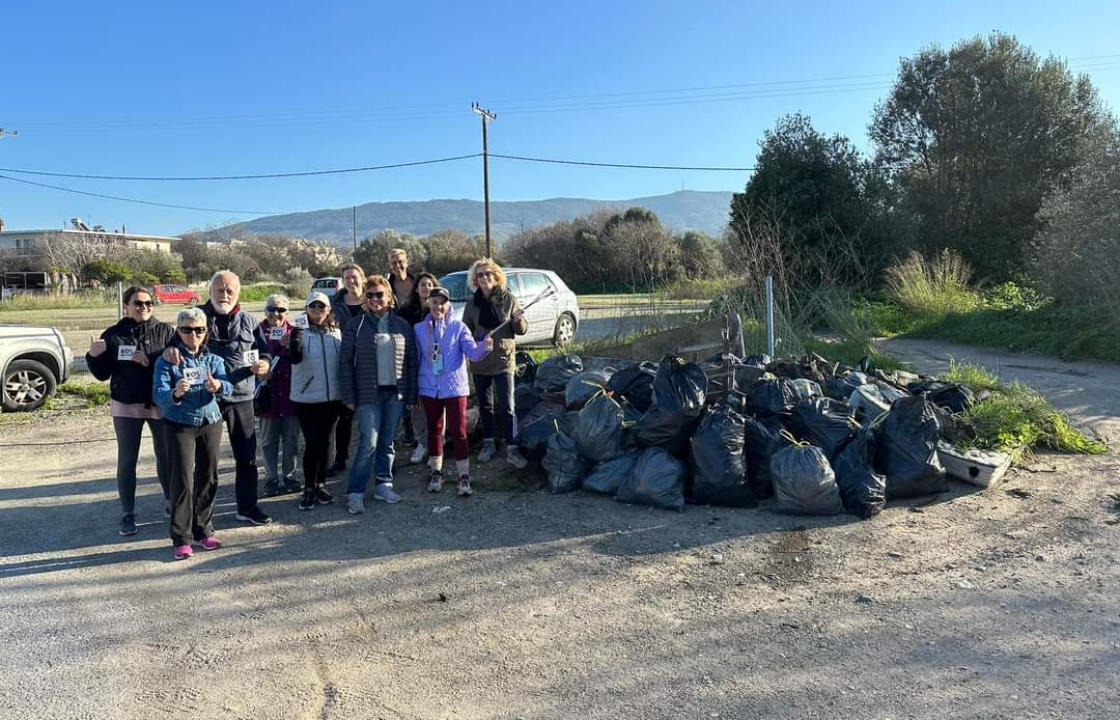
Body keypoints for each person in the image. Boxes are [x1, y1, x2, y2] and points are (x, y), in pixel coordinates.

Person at [162, 271, 273, 526]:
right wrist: (169, 351)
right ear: (210, 291)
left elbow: (264, 352)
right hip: (203, 400)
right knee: (204, 463)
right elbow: (171, 346)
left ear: (238, 293)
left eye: (229, 290)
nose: (224, 295)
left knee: (246, 457)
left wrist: (264, 365)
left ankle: (247, 507)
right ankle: (199, 519)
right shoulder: (195, 317)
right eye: (219, 290)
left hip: (241, 397)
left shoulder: (249, 321)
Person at [86, 286, 175, 536]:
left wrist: (151, 364)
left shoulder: (166, 331)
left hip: (159, 402)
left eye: (149, 303)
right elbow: (102, 374)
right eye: (138, 303)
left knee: (166, 456)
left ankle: (170, 502)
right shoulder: (114, 334)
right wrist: (93, 357)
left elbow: (175, 366)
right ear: (126, 305)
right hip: (126, 405)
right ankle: (128, 513)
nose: (144, 307)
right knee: (127, 461)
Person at [153, 307, 234, 561]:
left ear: (205, 331)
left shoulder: (214, 360)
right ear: (178, 331)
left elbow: (229, 387)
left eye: (199, 330)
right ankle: (181, 537)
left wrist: (219, 386)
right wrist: (176, 392)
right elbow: (159, 395)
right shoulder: (168, 360)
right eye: (187, 330)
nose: (194, 335)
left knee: (208, 476)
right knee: (183, 480)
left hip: (210, 420)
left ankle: (203, 530)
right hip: (180, 424)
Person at [338, 274, 418, 514]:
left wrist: (412, 395)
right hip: (367, 395)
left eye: (379, 294)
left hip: (396, 394)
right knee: (368, 443)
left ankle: (384, 484)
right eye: (370, 295)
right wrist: (348, 396)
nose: (374, 299)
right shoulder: (356, 325)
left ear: (389, 297)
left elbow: (411, 361)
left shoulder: (402, 325)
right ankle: (355, 492)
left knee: (387, 442)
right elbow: (344, 363)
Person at [414, 286, 493, 496]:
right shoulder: (419, 330)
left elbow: (473, 354)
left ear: (448, 305)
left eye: (442, 302)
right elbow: (416, 360)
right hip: (429, 388)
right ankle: (436, 472)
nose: (438, 306)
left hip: (455, 387)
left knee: (459, 431)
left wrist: (485, 346)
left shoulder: (459, 327)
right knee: (434, 429)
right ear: (428, 303)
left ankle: (463, 476)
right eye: (434, 302)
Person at [461, 258, 529, 469]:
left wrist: (518, 320)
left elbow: (521, 330)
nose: (484, 277)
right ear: (475, 279)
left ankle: (511, 446)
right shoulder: (472, 304)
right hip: (480, 363)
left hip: (503, 361)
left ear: (496, 275)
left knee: (507, 406)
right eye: (480, 274)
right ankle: (489, 443)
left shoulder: (508, 299)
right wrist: (478, 341)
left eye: (488, 273)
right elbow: (466, 333)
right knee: (485, 406)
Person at [288, 291, 343, 511]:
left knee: (327, 443)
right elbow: (295, 357)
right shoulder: (299, 332)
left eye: (322, 308)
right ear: (307, 310)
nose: (317, 311)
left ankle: (321, 484)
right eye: (313, 307)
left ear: (328, 310)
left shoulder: (336, 334)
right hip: (307, 398)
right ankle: (309, 487)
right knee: (312, 444)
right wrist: (296, 338)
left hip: (331, 398)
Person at [256, 294, 300, 497]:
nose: (276, 313)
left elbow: (303, 359)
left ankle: (289, 475)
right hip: (267, 395)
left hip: (291, 395)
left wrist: (292, 346)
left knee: (291, 439)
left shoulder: (295, 332)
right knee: (268, 441)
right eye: (272, 308)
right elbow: (247, 359)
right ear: (265, 310)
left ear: (287, 313)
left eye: (281, 310)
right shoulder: (256, 332)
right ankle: (271, 478)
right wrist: (259, 371)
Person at [327, 262, 366, 477]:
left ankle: (376, 456)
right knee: (345, 415)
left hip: (369, 364)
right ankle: (340, 458)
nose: (351, 281)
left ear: (362, 277)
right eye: (347, 278)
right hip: (344, 364)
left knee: (371, 415)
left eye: (354, 277)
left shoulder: (372, 300)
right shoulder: (336, 305)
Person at [407, 271, 439, 465]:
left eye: (429, 284)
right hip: (414, 363)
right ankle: (422, 442)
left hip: (436, 364)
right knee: (417, 404)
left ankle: (437, 444)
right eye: (422, 285)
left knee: (436, 404)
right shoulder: (407, 311)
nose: (426, 288)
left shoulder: (442, 310)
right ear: (416, 289)